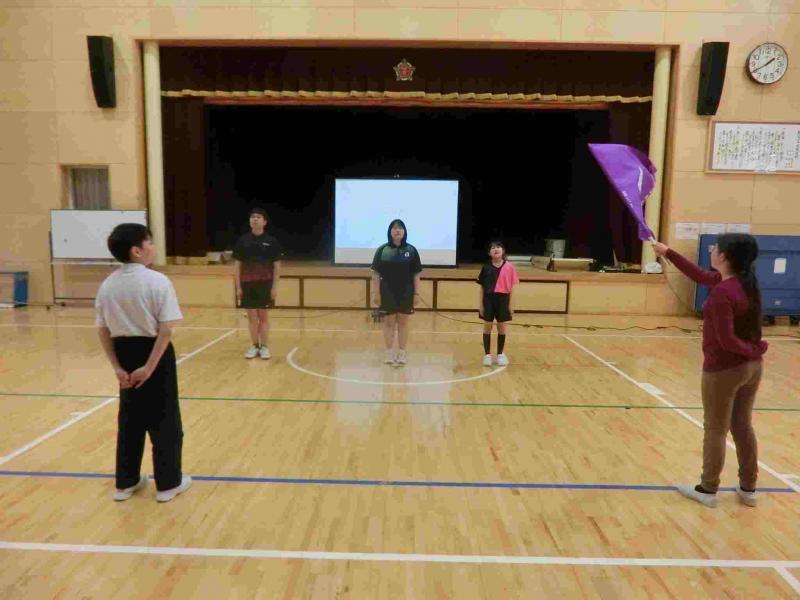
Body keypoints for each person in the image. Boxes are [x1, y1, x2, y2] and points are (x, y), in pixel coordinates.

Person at [653, 234, 768, 508]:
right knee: (742, 425)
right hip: (752, 369)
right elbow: (700, 275)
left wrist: (754, 349)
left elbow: (726, 340)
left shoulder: (722, 294)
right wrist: (668, 252)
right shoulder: (742, 283)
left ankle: (707, 488)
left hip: (724, 370)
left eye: (716, 247)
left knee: (715, 429)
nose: (712, 249)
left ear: (724, 257)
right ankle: (748, 488)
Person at [96, 223, 191, 503]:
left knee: (130, 420)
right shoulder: (157, 281)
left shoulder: (107, 285)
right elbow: (166, 329)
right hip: (154, 354)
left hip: (123, 353)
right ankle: (168, 484)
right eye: (149, 242)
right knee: (165, 419)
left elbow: (103, 330)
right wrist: (149, 367)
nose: (153, 247)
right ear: (136, 251)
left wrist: (117, 367)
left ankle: (125, 482)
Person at [232, 207, 283, 359]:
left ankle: (265, 346)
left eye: (258, 217)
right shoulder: (242, 241)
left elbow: (277, 266)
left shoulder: (272, 242)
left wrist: (274, 287)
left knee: (264, 317)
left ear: (264, 222)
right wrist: (238, 287)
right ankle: (254, 346)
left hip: (265, 284)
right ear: (249, 221)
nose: (255, 219)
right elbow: (237, 266)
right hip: (247, 284)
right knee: (252, 318)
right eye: (252, 217)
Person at [370, 219, 422, 366]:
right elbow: (375, 274)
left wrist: (416, 294)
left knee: (403, 323)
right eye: (394, 228)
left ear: (404, 231)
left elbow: (416, 275)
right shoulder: (382, 250)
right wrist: (376, 293)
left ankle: (402, 353)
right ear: (390, 232)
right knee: (389, 323)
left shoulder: (411, 250)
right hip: (387, 292)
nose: (397, 230)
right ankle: (388, 352)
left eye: (400, 228)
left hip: (406, 292)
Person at [476, 241, 519, 366]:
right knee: (487, 327)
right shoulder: (486, 267)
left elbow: (512, 287)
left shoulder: (509, 267)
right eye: (493, 248)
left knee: (501, 328)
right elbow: (482, 287)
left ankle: (500, 354)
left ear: (503, 251)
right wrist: (481, 305)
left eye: (498, 247)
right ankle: (487, 355)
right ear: (489, 253)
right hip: (488, 300)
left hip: (503, 300)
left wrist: (510, 305)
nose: (496, 249)